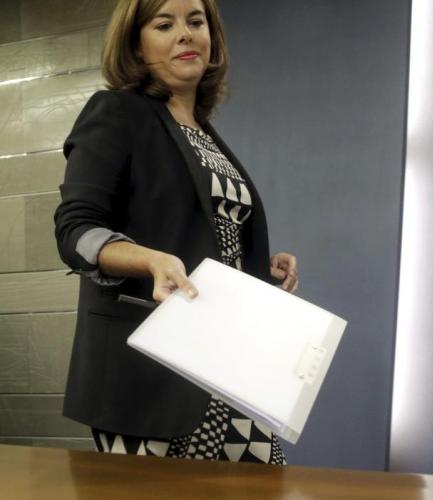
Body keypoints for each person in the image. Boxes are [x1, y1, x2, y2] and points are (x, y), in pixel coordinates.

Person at [54, 0, 298, 464]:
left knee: (265, 484)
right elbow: (75, 230)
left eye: (196, 21)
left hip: (226, 370)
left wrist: (255, 267)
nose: (185, 33)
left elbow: (196, 236)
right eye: (164, 24)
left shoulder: (203, 133)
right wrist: (149, 260)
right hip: (149, 379)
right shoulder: (116, 112)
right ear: (136, 46)